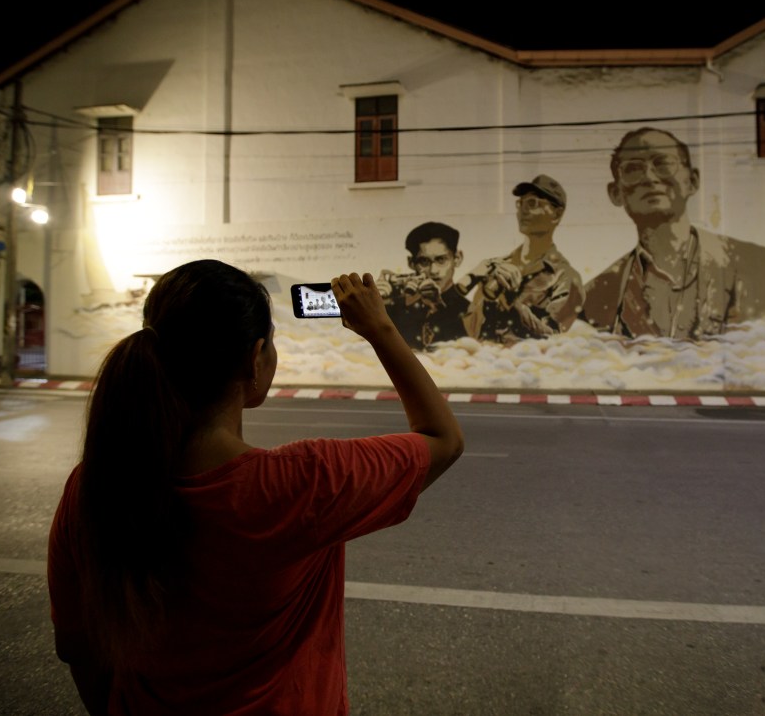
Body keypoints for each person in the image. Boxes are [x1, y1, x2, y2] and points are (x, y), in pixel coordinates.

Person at [47, 259, 463, 715]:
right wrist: (380, 328)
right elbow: (443, 439)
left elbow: (77, 646)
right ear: (255, 358)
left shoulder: (92, 486)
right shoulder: (304, 482)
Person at [581, 127, 765, 340]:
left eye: (663, 164)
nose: (649, 178)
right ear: (615, 193)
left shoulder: (759, 267)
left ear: (692, 181)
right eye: (633, 169)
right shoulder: (595, 297)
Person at [458, 174, 584, 344]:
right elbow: (471, 332)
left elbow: (554, 339)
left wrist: (513, 301)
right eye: (520, 203)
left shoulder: (565, 277)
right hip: (488, 358)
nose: (522, 210)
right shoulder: (498, 267)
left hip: (529, 360)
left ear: (557, 214)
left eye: (532, 203)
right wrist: (489, 300)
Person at [375, 221, 470, 349]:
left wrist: (438, 307)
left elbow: (469, 349)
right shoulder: (395, 307)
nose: (433, 270)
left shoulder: (471, 310)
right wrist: (375, 305)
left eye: (441, 260)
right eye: (424, 261)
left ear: (457, 258)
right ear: (411, 263)